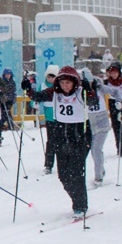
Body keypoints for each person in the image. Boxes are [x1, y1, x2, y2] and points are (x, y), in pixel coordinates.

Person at [24, 66, 96, 216]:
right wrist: (28, 90)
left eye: (68, 83)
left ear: (74, 82)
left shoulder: (80, 92)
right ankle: (76, 199)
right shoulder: (55, 93)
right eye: (62, 83)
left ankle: (80, 205)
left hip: (79, 135)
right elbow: (37, 96)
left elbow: (93, 101)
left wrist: (89, 90)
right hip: (61, 135)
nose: (65, 86)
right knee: (63, 175)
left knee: (76, 172)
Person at [81, 68, 122, 186]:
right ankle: (101, 169)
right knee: (93, 150)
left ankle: (99, 177)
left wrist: (118, 102)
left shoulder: (100, 87)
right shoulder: (81, 90)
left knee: (96, 149)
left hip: (102, 123)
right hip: (90, 124)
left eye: (91, 82)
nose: (90, 85)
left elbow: (116, 92)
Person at [105, 62, 122, 159]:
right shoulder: (107, 82)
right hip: (113, 104)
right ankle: (120, 149)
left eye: (115, 72)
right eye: (111, 72)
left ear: (119, 72)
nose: (113, 74)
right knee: (116, 127)